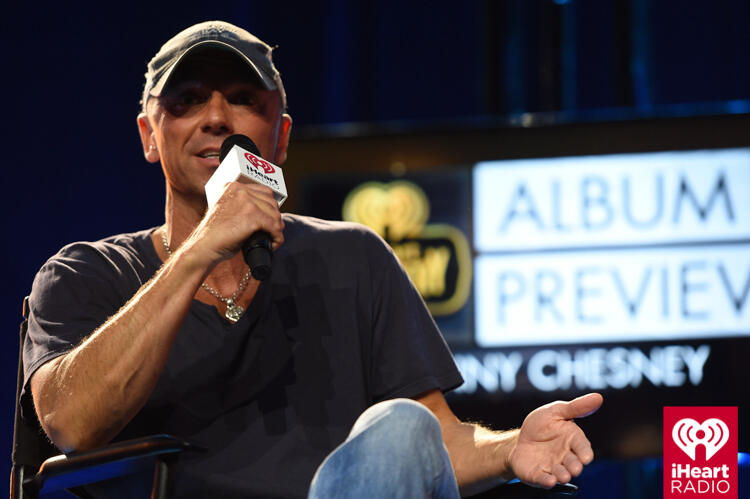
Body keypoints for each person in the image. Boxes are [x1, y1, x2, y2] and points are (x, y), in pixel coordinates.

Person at [23, 20, 603, 498]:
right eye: (188, 100)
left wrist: (509, 449)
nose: (217, 117)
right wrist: (200, 249)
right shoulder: (84, 276)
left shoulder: (352, 257)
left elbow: (431, 448)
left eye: (244, 100)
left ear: (279, 138)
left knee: (401, 430)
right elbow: (72, 424)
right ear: (150, 136)